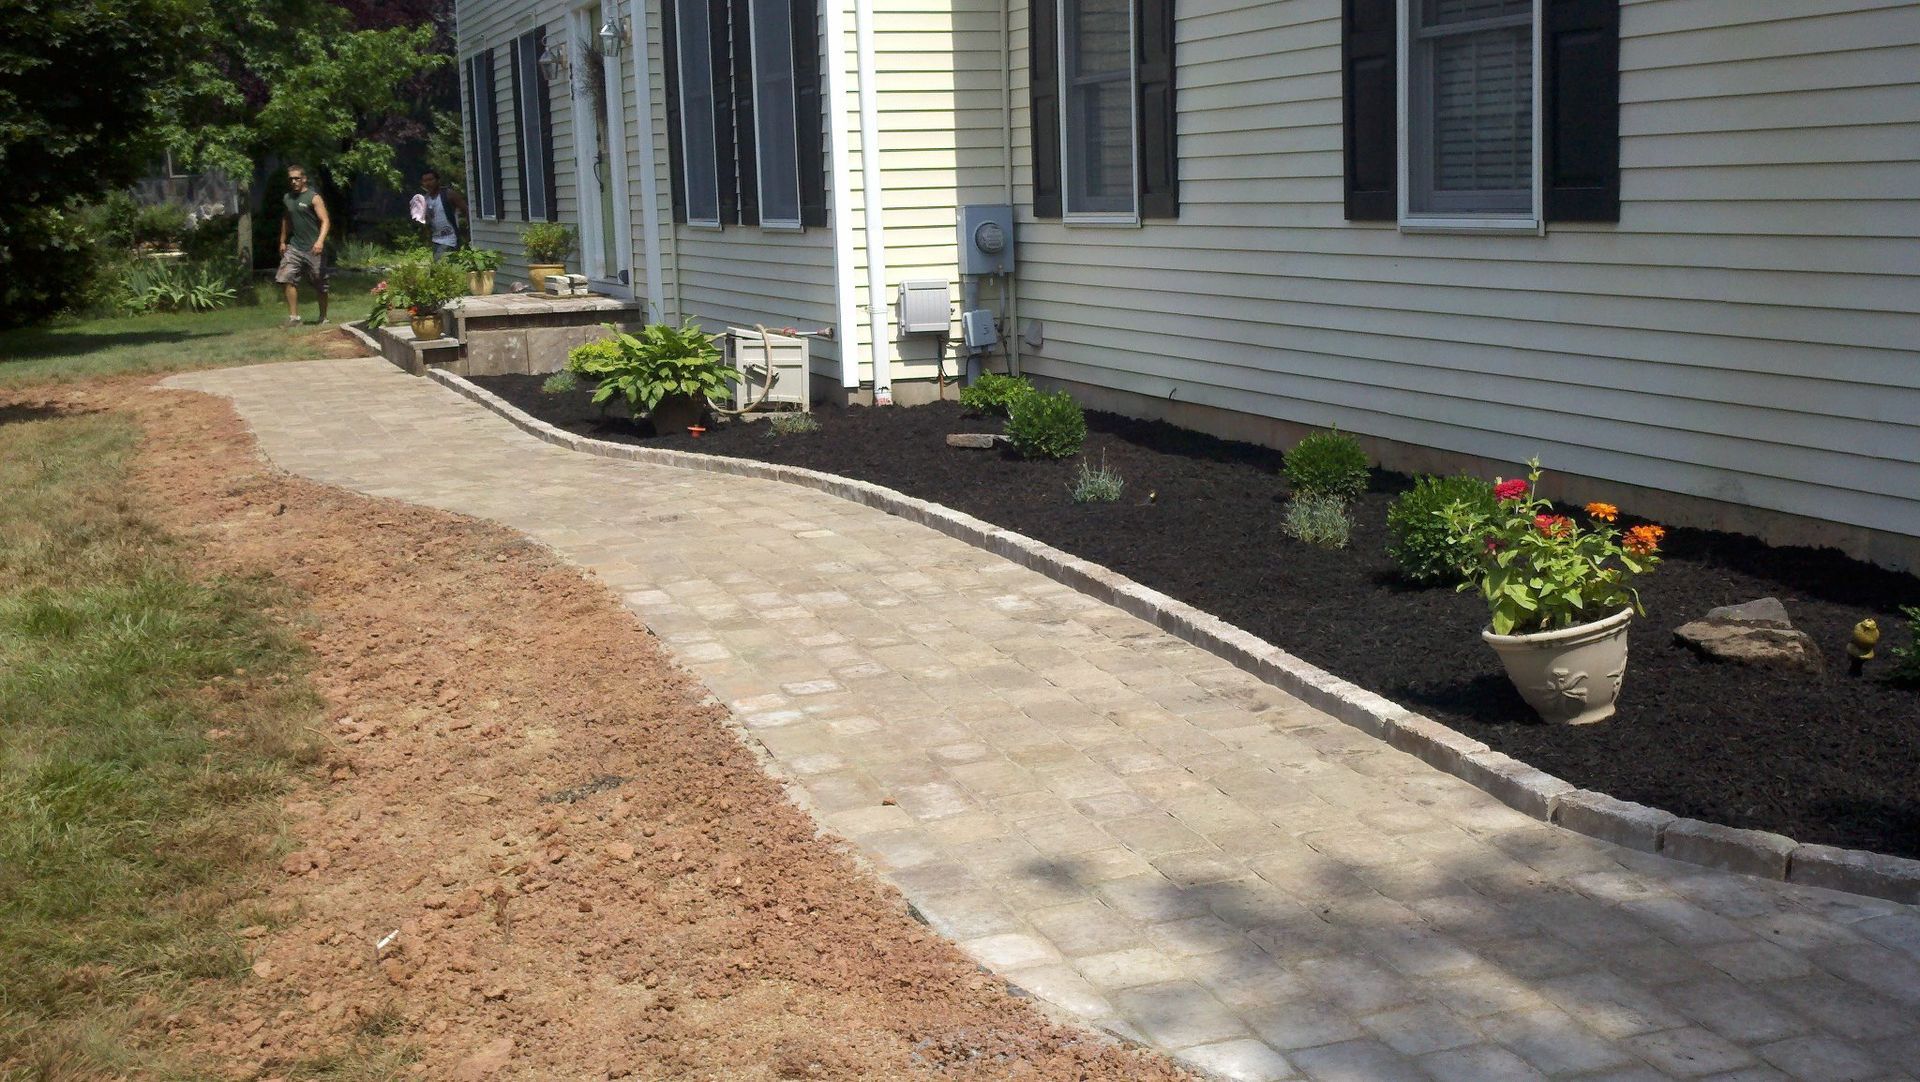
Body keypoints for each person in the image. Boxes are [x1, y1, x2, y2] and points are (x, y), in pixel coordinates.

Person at [276, 164, 331, 326]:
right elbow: (286, 219)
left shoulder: (313, 197)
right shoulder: (288, 198)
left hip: (313, 248)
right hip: (295, 247)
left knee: (320, 283)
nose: (294, 181)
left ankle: (323, 317)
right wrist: (282, 241)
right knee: (286, 277)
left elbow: (325, 220)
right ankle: (294, 318)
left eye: (297, 178)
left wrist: (320, 241)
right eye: (291, 179)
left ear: (304, 179)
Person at [414, 169, 468, 261]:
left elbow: (466, 210)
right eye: (425, 181)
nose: (428, 183)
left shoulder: (448, 194)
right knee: (441, 271)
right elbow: (426, 222)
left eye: (430, 180)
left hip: (450, 239)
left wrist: (467, 233)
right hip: (436, 240)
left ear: (438, 180)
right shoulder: (425, 199)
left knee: (441, 268)